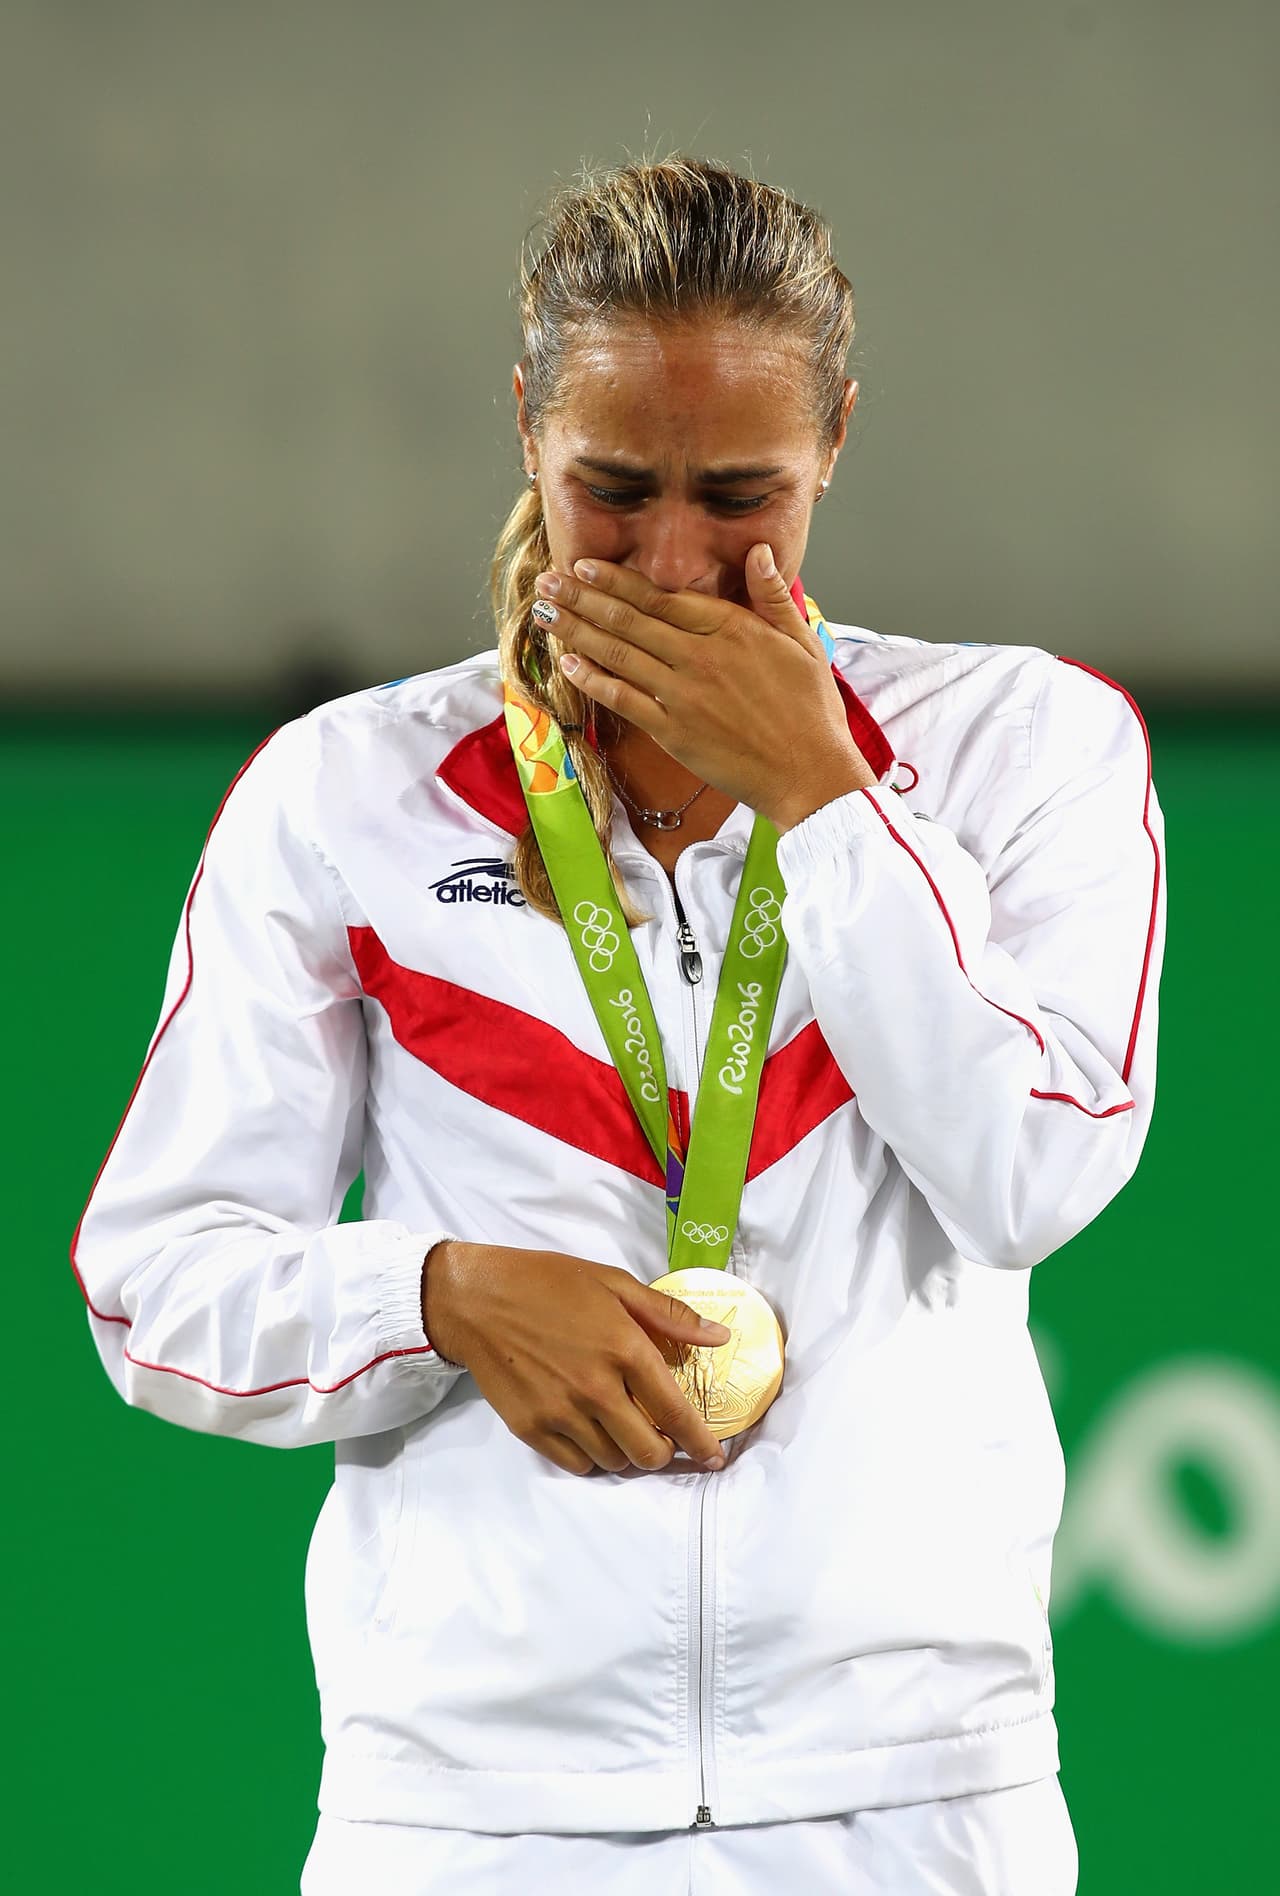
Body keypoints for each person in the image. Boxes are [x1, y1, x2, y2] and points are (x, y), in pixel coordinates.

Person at [71, 156, 1164, 1894]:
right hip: (466, 1815)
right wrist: (431, 1291)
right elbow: (155, 1277)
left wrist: (823, 795)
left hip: (912, 1804)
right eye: (613, 491)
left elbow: (1030, 1175)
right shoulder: (352, 793)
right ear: (525, 430)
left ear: (838, 445)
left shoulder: (1021, 750)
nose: (671, 559)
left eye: (742, 496)